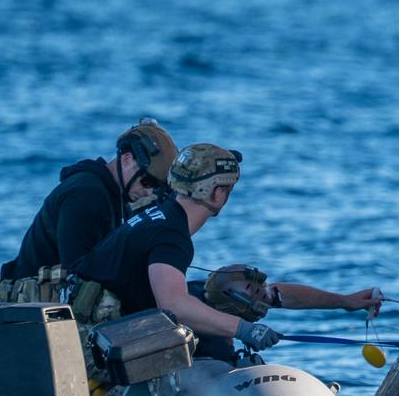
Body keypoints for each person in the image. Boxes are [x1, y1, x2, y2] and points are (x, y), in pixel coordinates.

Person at [69, 143, 283, 355]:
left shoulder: (157, 215)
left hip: (83, 332)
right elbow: (174, 306)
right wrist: (243, 329)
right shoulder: (171, 236)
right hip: (92, 349)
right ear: (217, 193)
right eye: (228, 190)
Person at [0, 118, 176, 280]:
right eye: (147, 181)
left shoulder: (114, 196)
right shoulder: (86, 195)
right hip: (34, 307)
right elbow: (78, 271)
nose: (149, 192)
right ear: (127, 159)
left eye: (157, 187)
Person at [192, 263, 386, 364]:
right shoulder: (208, 336)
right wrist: (245, 331)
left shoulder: (216, 290)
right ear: (237, 307)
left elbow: (285, 295)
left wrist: (346, 301)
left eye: (266, 291)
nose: (271, 298)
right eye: (263, 298)